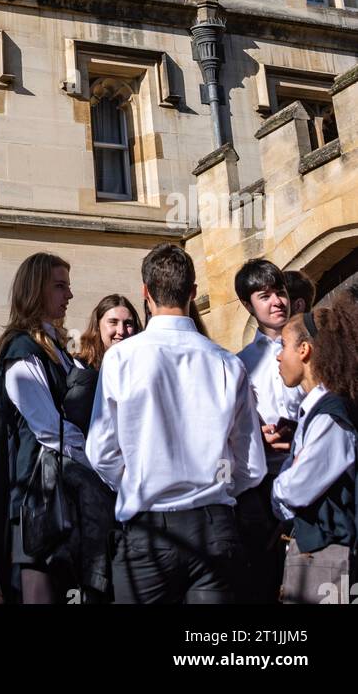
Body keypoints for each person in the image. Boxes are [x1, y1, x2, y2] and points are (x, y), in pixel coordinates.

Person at [86, 243, 267, 605]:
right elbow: (250, 465)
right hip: (214, 525)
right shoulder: (227, 363)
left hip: (149, 528)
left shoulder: (122, 358)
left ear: (145, 293)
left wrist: (139, 479)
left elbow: (101, 451)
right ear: (193, 293)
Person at [0, 253, 111, 604]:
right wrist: (99, 464)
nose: (68, 295)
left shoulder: (57, 348)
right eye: (59, 286)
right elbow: (48, 429)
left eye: (68, 287)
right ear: (35, 290)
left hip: (61, 494)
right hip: (35, 498)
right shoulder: (22, 350)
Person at [273, 295, 358, 604]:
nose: (278, 357)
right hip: (315, 555)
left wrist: (279, 487)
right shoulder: (318, 412)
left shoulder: (332, 416)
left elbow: (295, 489)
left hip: (327, 556)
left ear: (304, 350)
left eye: (283, 346)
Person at [234, 257, 304, 603]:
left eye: (280, 292)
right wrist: (256, 435)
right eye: (265, 296)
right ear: (248, 305)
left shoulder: (314, 348)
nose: (277, 301)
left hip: (312, 480)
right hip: (263, 486)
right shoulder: (239, 362)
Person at [77, 294, 141, 371]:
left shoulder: (142, 365)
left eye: (128, 323)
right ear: (97, 325)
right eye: (113, 322)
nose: (121, 331)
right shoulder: (81, 367)